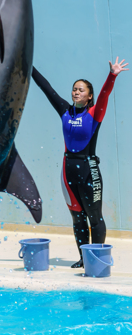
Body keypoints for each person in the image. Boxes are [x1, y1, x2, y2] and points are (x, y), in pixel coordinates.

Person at [31, 58, 128, 268]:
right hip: (68, 171)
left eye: (81, 90)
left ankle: (97, 259)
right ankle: (84, 258)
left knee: (94, 217)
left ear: (89, 96)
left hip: (88, 170)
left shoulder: (94, 113)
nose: (76, 92)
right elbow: (46, 88)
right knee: (77, 218)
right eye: (74, 89)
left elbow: (104, 95)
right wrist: (27, 63)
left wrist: (112, 75)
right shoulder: (65, 111)